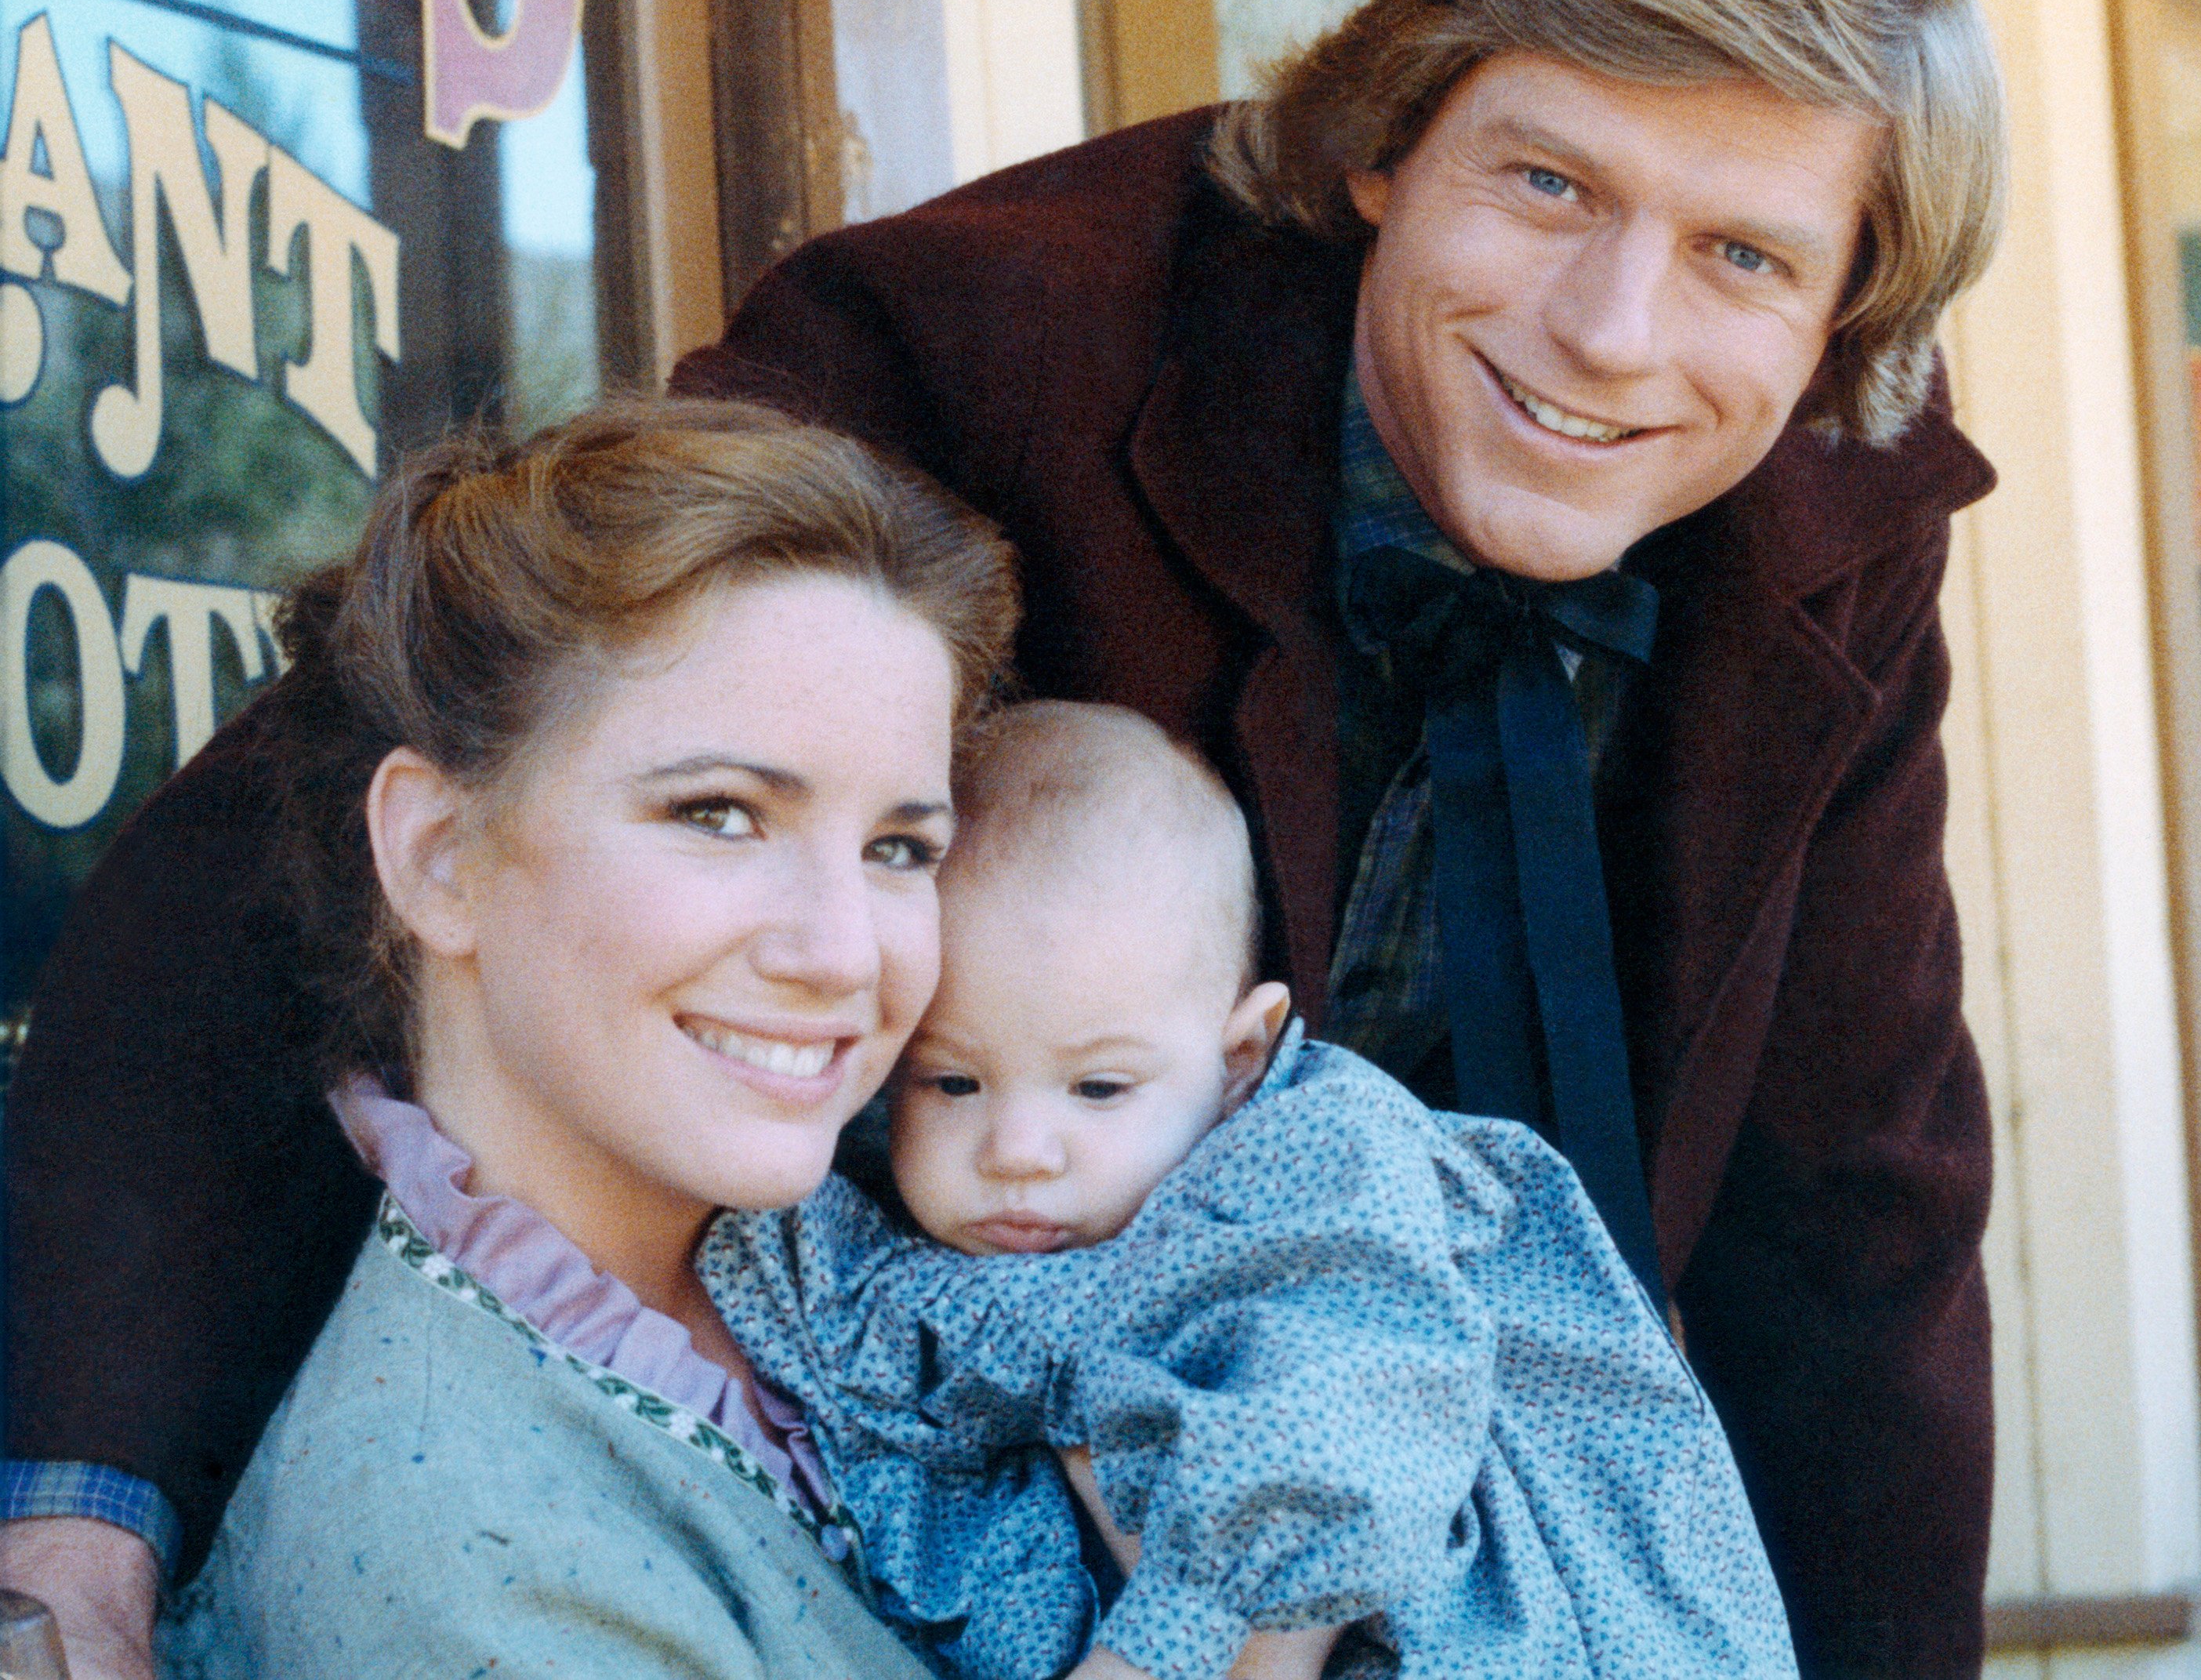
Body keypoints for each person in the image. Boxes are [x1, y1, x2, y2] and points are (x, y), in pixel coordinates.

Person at [4, 0, 2009, 1675]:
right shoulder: (991, 336)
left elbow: (1859, 1208)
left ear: (1846, 316)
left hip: (1472, 1468)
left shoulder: (1829, 514)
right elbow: (347, 786)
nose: (1614, 329)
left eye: (1745, 256)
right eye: (1550, 182)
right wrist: (92, 1479)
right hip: (951, 1460)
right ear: (1387, 144)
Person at [150, 398, 1018, 1675]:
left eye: (900, 847)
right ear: (439, 856)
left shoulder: (897, 1216)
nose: (843, 950)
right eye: (719, 814)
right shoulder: (459, 1554)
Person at [702, 698, 1800, 1680]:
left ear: (1238, 1057)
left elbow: (1335, 1424)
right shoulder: (875, 1265)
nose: (1020, 1147)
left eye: (1098, 1084)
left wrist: (1152, 1651)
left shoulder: (1303, 1167)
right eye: (953, 1079)